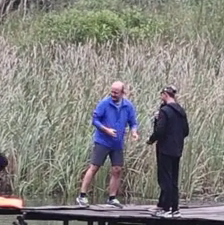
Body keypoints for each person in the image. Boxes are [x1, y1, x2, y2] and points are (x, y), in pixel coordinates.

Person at [75, 80, 139, 209]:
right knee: (94, 167)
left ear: (123, 93)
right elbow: (95, 120)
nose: (113, 94)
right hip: (102, 141)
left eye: (116, 92)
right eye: (112, 92)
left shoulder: (128, 106)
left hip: (117, 143)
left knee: (117, 169)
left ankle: (112, 198)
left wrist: (134, 132)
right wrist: (106, 130)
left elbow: (133, 122)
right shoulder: (104, 103)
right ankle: (82, 195)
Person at [145, 85, 190, 216]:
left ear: (165, 95)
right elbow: (186, 131)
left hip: (165, 149)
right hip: (177, 149)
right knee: (174, 179)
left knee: (165, 179)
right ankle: (175, 209)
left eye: (161, 95)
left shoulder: (164, 111)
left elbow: (160, 130)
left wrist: (151, 140)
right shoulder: (181, 111)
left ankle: (166, 209)